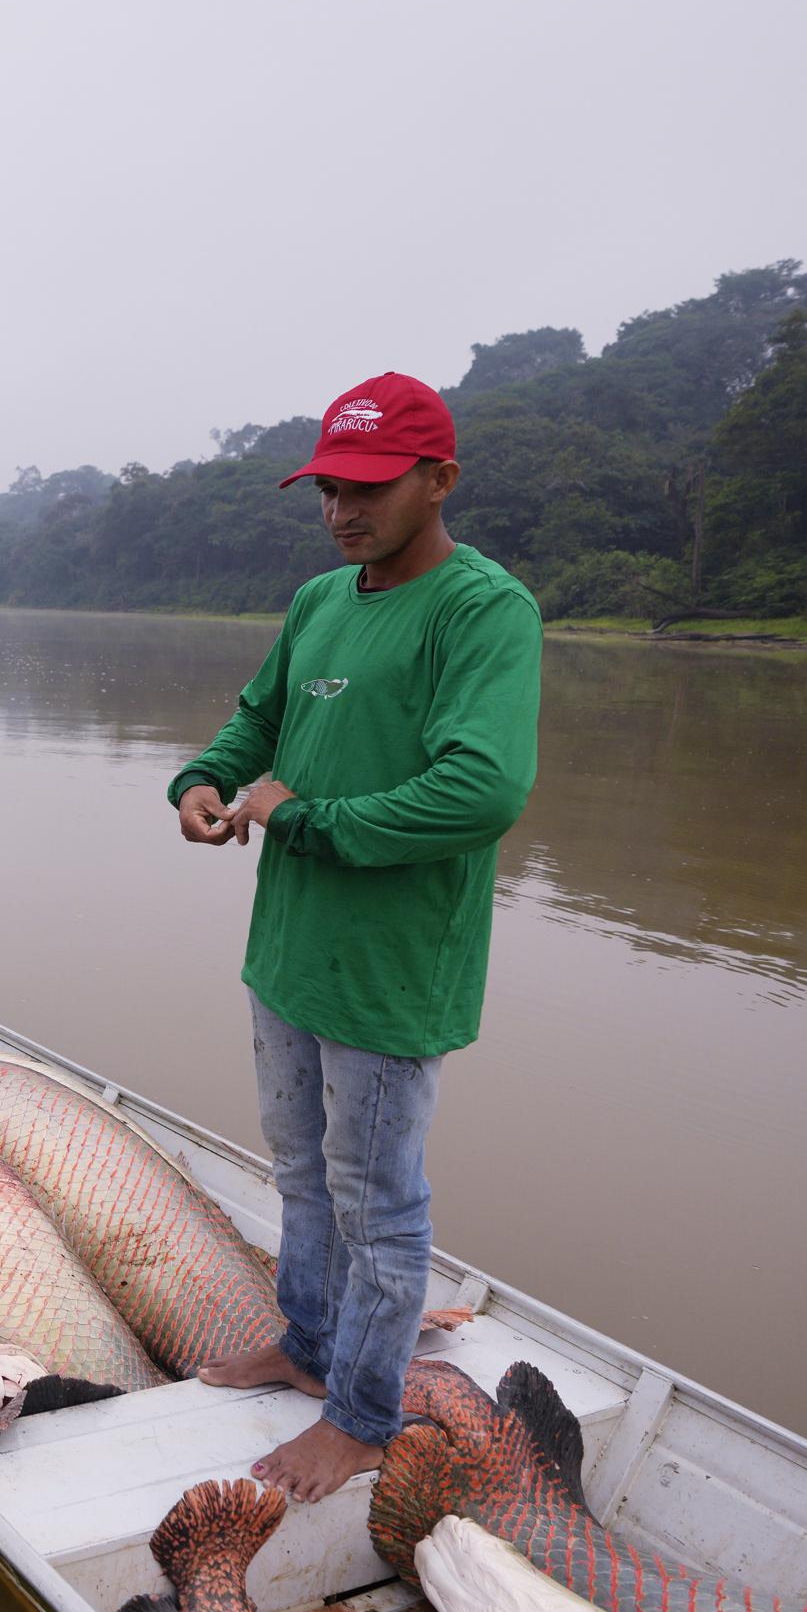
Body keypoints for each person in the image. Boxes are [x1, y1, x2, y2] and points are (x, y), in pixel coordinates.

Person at [174, 372, 541, 1503]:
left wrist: (308, 818)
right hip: (287, 951)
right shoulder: (319, 599)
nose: (344, 509)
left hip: (387, 973)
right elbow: (260, 718)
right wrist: (207, 776)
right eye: (331, 486)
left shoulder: (484, 610)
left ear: (440, 479)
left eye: (371, 487)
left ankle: (365, 1414)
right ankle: (305, 1338)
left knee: (376, 1200)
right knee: (298, 1169)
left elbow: (482, 790)